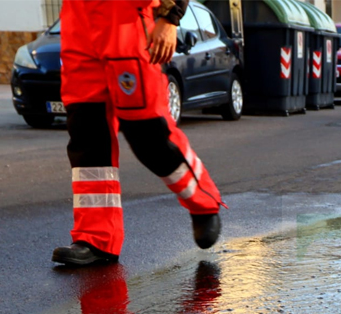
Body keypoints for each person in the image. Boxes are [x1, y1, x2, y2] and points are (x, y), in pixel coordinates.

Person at [52, 0, 225, 267]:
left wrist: (170, 17)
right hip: (78, 29)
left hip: (127, 23)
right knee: (87, 138)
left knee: (148, 134)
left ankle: (203, 202)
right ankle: (96, 238)